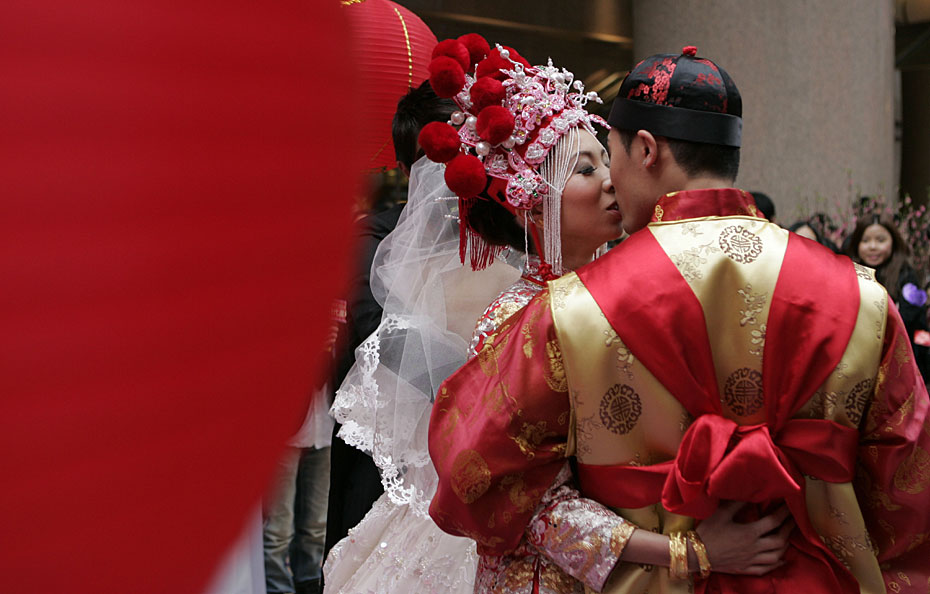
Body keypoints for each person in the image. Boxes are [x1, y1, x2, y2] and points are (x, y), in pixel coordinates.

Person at [429, 46, 930, 594]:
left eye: (609, 155)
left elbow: (475, 471)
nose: (611, 181)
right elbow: (907, 490)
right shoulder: (863, 297)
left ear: (644, 149)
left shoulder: (574, 306)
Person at [327, 37, 786, 593]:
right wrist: (687, 551)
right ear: (532, 200)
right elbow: (526, 502)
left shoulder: (627, 290)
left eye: (604, 160)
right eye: (585, 169)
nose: (613, 180)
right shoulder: (517, 320)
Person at [321, 80, 458, 577]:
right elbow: (369, 336)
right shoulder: (374, 239)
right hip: (384, 473)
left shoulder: (507, 239)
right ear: (406, 171)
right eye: (435, 159)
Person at [846, 214, 929, 382]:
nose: (873, 246)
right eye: (866, 240)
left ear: (893, 242)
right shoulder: (847, 274)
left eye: (880, 240)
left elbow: (911, 317)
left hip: (899, 366)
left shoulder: (906, 277)